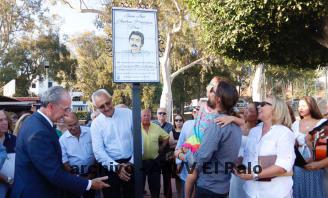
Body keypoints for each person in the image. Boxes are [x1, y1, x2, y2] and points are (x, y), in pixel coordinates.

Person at [11, 86, 109, 198]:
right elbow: (54, 173)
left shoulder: (37, 123)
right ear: (51, 106)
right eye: (66, 109)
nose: (67, 114)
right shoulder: (38, 132)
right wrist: (89, 184)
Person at [175, 76, 224, 198]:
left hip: (206, 168)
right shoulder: (192, 124)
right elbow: (185, 145)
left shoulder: (217, 117)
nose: (199, 111)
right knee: (191, 175)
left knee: (193, 172)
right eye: (197, 109)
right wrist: (180, 154)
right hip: (195, 148)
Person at [238, 96, 295, 198]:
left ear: (275, 109)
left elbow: (283, 166)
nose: (259, 107)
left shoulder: (284, 133)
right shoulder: (254, 131)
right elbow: (247, 156)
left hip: (275, 192)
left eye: (263, 104)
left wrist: (254, 174)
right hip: (251, 191)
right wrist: (238, 165)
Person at [193, 80, 241, 198]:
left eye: (212, 90)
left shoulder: (217, 123)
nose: (209, 92)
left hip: (209, 187)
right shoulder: (235, 124)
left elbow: (202, 157)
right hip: (222, 186)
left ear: (218, 99)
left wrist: (182, 155)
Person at [90, 89, 134, 198]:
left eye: (108, 103)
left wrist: (131, 163)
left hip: (131, 164)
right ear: (96, 108)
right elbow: (98, 152)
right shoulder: (96, 124)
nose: (106, 108)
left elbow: (139, 141)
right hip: (109, 166)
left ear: (111, 99)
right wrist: (117, 167)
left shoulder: (129, 114)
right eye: (101, 106)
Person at [222, 102, 260, 198]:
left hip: (252, 168)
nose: (246, 112)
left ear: (258, 115)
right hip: (235, 166)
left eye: (250, 110)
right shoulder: (237, 127)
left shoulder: (261, 130)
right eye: (246, 108)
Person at [292, 96, 327, 198]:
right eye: (299, 106)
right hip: (299, 161)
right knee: (299, 187)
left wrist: (312, 156)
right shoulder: (295, 124)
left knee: (315, 188)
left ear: (311, 106)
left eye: (303, 106)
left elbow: (324, 146)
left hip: (316, 160)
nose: (300, 108)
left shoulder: (321, 123)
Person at [59, 112, 97, 198]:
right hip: (74, 178)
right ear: (65, 125)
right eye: (70, 125)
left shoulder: (90, 132)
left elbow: (97, 152)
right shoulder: (62, 140)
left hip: (92, 174)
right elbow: (65, 163)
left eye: (75, 123)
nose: (74, 127)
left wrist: (91, 174)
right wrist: (78, 178)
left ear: (78, 121)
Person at [141, 109, 169, 198]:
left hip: (154, 161)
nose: (146, 117)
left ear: (151, 116)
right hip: (140, 162)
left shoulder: (156, 127)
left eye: (148, 115)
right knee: (139, 186)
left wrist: (162, 147)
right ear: (140, 117)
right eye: (144, 115)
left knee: (155, 187)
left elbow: (166, 137)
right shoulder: (135, 127)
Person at [153, 107, 173, 198]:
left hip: (168, 153)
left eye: (164, 113)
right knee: (155, 176)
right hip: (155, 153)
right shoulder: (152, 124)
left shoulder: (170, 126)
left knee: (167, 175)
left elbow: (171, 140)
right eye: (160, 113)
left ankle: (168, 195)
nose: (162, 115)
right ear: (156, 114)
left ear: (166, 115)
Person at [0, 110, 16, 197]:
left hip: (14, 186)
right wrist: (8, 180)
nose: (5, 122)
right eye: (0, 120)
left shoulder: (14, 139)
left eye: (5, 119)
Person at [168, 114, 184, 198]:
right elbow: (170, 143)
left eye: (180, 120)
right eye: (176, 120)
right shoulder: (172, 131)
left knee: (185, 176)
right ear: (174, 122)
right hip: (174, 158)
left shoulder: (186, 130)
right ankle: (179, 195)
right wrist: (182, 143)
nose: (178, 122)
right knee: (177, 177)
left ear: (183, 121)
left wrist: (176, 142)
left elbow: (189, 144)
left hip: (184, 157)